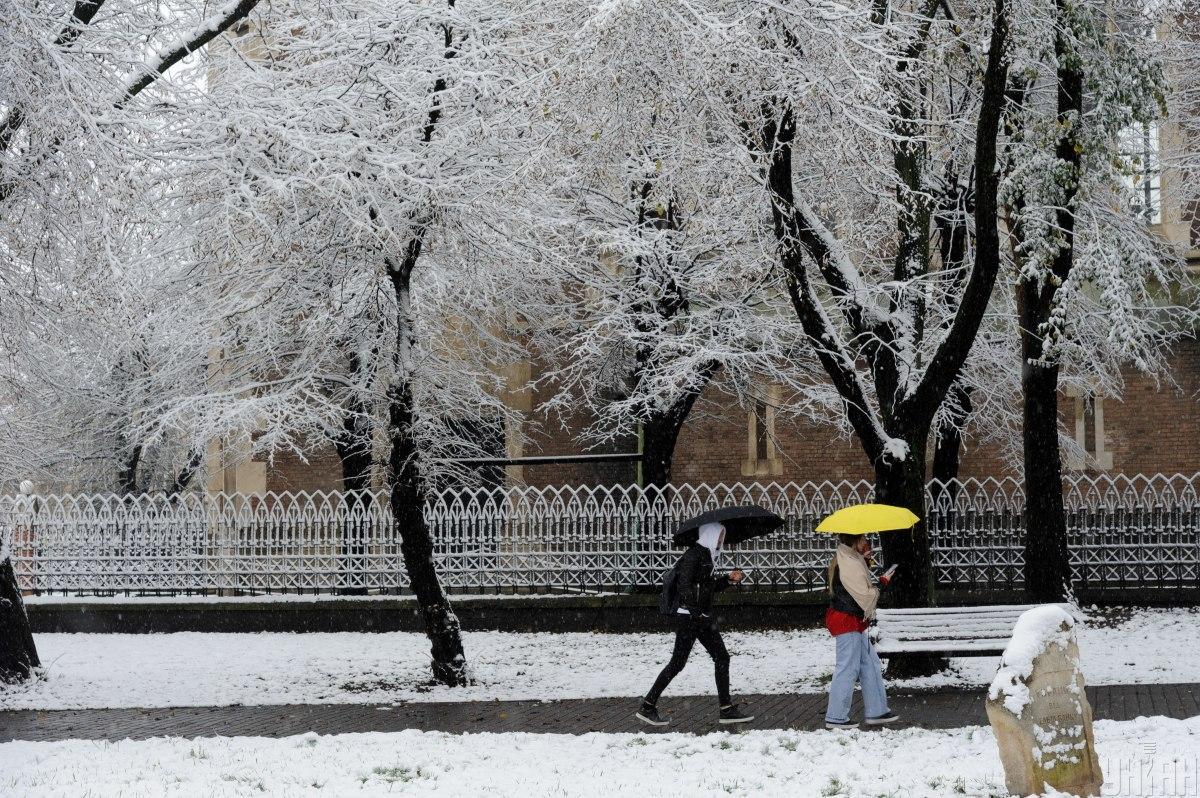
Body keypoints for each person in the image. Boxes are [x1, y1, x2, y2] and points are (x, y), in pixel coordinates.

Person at [636, 522, 754, 727]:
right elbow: (684, 585)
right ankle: (648, 706)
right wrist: (695, 610)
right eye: (718, 536)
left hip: (698, 617)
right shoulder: (693, 555)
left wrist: (727, 580)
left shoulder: (707, 556)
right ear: (709, 535)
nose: (720, 541)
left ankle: (725, 709)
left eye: (722, 537)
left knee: (718, 657)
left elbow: (705, 588)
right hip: (691, 618)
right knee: (681, 663)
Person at [824, 533, 900, 730]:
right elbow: (864, 595)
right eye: (863, 539)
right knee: (847, 668)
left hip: (853, 621)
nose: (867, 542)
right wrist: (882, 583)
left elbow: (859, 589)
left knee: (870, 665)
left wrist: (865, 561)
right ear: (854, 542)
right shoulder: (849, 562)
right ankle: (836, 717)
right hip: (847, 621)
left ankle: (877, 711)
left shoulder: (850, 559)